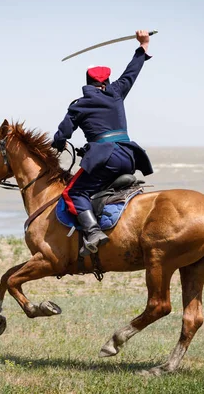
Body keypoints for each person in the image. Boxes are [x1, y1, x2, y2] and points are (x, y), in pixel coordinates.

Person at [51, 30, 154, 256]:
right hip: (129, 156)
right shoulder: (116, 92)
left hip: (106, 159)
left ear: (87, 82)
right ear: (107, 81)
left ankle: (94, 232)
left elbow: (64, 133)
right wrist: (143, 45)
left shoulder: (79, 104)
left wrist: (57, 143)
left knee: (73, 193)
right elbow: (132, 72)